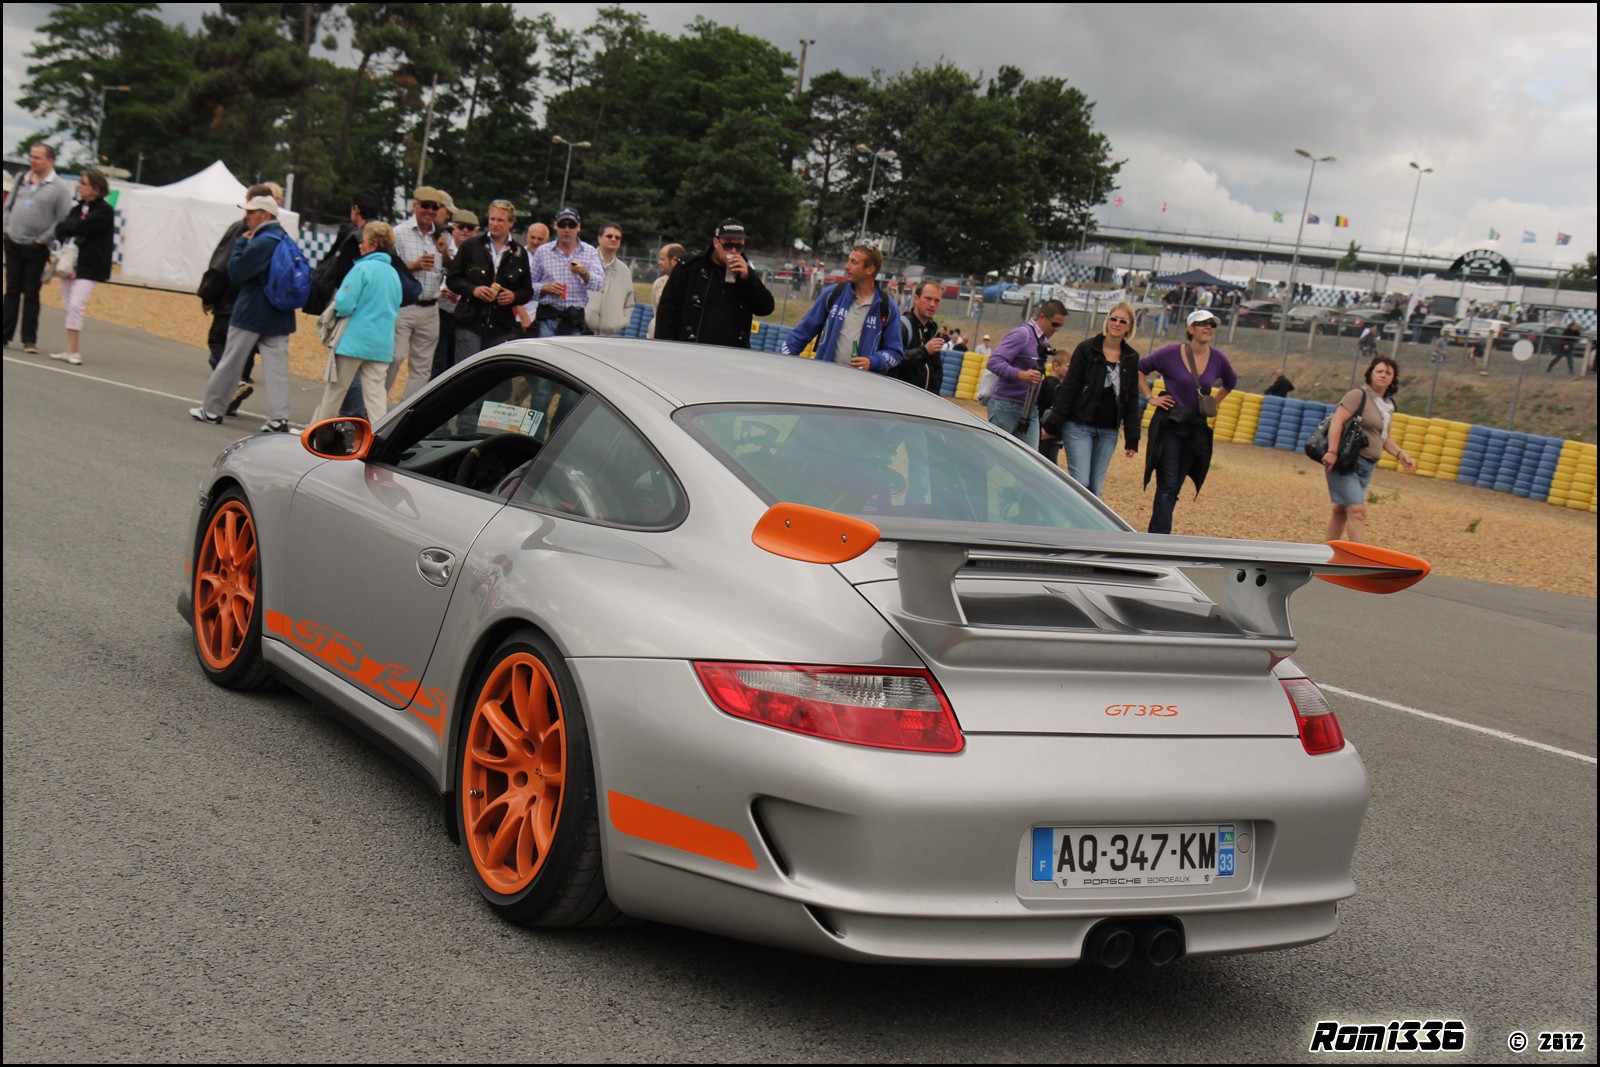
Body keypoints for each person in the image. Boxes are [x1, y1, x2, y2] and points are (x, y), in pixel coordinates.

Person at [189, 195, 297, 431]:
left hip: (251, 311)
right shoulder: (285, 238)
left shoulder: (261, 241)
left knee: (231, 361)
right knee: (276, 368)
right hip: (280, 313)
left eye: (251, 212)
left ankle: (212, 409)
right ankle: (279, 418)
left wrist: (240, 245)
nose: (246, 217)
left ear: (264, 215)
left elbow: (236, 272)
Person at [1139, 308, 1238, 534]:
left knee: (1174, 488)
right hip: (1170, 426)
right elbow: (1140, 369)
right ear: (1190, 329)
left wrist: (1213, 401)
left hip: (1195, 429)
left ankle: (1156, 533)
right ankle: (1159, 540)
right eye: (1203, 323)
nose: (1208, 328)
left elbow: (1231, 382)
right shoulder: (1170, 353)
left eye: (1212, 325)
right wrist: (1150, 397)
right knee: (1167, 485)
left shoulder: (1218, 358)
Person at [1039, 301, 1142, 496]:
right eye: (1113, 319)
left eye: (1122, 321)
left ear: (1129, 327)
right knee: (1081, 482)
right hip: (1080, 425)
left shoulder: (1131, 357)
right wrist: (1052, 424)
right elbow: (1069, 388)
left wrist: (1132, 438)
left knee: (1095, 487)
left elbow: (1131, 398)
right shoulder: (1087, 349)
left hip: (1108, 431)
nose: (1117, 324)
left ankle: (1084, 526)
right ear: (1107, 321)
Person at [310, 221, 403, 424]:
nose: (361, 244)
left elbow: (343, 303)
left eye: (365, 241)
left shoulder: (362, 269)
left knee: (335, 391)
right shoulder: (394, 274)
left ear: (374, 245)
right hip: (381, 343)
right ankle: (380, 437)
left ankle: (315, 432)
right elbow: (397, 304)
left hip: (353, 341)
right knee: (376, 395)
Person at [1323, 355, 1417, 542]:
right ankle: (1358, 561)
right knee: (1357, 512)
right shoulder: (1358, 395)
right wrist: (1332, 451)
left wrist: (1400, 454)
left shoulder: (1388, 405)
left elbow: (1384, 437)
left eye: (1388, 373)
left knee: (1341, 511)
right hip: (1347, 461)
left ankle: (1327, 553)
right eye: (1379, 371)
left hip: (1367, 466)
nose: (1383, 375)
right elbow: (1337, 420)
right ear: (1370, 374)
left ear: (1393, 378)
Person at [654, 219, 776, 348]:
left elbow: (766, 308)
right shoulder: (690, 267)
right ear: (716, 243)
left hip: (731, 354)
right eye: (728, 246)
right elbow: (666, 311)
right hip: (692, 349)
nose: (733, 251)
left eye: (739, 246)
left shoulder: (745, 274)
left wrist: (749, 279)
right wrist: (665, 348)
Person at [780, 244, 902, 370]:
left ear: (869, 270)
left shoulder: (888, 307)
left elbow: (895, 353)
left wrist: (873, 361)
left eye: (854, 262)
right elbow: (802, 333)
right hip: (825, 377)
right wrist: (782, 361)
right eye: (848, 260)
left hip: (862, 385)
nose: (847, 266)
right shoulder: (832, 294)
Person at [3, 143, 75, 354]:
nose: (33, 161)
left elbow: (63, 219)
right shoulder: (22, 179)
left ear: (49, 161)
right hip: (14, 240)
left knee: (32, 292)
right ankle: (5, 334)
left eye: (38, 158)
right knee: (12, 290)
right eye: (32, 157)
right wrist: (6, 227)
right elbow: (9, 206)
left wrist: (44, 239)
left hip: (36, 246)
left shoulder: (59, 187)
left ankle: (29, 339)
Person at [446, 200, 532, 359]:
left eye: (500, 220)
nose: (495, 224)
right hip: (469, 322)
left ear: (511, 223)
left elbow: (527, 291)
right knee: (468, 373)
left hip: (501, 327)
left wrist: (514, 297)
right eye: (492, 219)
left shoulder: (519, 252)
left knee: (493, 380)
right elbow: (452, 279)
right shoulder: (471, 246)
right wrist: (473, 290)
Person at [45, 167, 115, 366]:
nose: (80, 187)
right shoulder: (77, 208)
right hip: (70, 263)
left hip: (90, 265)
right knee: (68, 305)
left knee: (76, 304)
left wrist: (72, 227)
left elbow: (82, 227)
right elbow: (62, 227)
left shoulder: (105, 211)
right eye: (80, 183)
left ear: (96, 188)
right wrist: (71, 227)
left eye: (84, 184)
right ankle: (69, 349)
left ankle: (74, 351)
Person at [390, 185, 452, 399]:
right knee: (395, 357)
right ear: (415, 206)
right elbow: (389, 269)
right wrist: (413, 266)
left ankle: (403, 415)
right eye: (425, 206)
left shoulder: (442, 235)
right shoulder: (399, 233)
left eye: (434, 207)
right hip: (405, 305)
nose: (430, 211)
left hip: (431, 307)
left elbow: (451, 269)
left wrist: (445, 254)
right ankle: (375, 410)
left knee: (422, 367)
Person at [986, 300, 1067, 450]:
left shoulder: (1043, 340)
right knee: (992, 454)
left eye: (1060, 325)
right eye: (1055, 324)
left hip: (1030, 409)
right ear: (1042, 316)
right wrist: (1021, 374)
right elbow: (994, 362)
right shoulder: (1022, 334)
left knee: (1030, 459)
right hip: (1007, 405)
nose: (1057, 329)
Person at [528, 207, 604, 336]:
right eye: (562, 225)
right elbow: (528, 286)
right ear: (555, 226)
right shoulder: (543, 252)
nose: (567, 230)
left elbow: (600, 284)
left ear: (578, 227)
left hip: (574, 320)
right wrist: (546, 288)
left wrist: (584, 273)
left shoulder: (589, 251)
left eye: (571, 225)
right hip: (548, 319)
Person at [432, 208, 478, 379]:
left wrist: (461, 294)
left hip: (464, 317)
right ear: (454, 229)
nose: (465, 231)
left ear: (476, 231)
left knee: (457, 368)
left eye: (470, 227)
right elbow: (430, 280)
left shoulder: (479, 255)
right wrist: (441, 291)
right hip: (441, 313)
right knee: (438, 364)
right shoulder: (440, 248)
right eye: (461, 227)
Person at [892, 279, 946, 393]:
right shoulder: (902, 326)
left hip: (924, 401)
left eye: (937, 301)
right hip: (900, 396)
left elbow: (936, 370)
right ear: (916, 299)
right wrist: (924, 351)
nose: (932, 304)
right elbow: (894, 360)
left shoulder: (934, 330)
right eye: (928, 299)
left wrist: (934, 398)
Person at [586, 222, 635, 336]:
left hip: (609, 335)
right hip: (582, 332)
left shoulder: (625, 271)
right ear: (599, 238)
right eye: (609, 236)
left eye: (617, 237)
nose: (613, 239)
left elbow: (630, 301)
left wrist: (622, 321)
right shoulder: (585, 263)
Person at [514, 221, 550, 336]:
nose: (535, 242)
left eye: (540, 239)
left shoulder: (552, 260)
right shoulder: (517, 257)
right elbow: (512, 289)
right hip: (521, 320)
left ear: (547, 241)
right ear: (526, 237)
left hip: (544, 321)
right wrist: (524, 317)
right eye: (532, 238)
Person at [646, 242, 683, 339]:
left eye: (662, 259)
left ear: (674, 260)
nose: (659, 262)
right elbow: (656, 311)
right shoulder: (658, 284)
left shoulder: (688, 283)